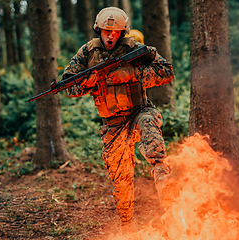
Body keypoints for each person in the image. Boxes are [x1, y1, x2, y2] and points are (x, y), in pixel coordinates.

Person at [62, 7, 174, 233]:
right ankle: (128, 228)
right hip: (112, 125)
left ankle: (164, 183)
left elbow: (166, 71)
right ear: (99, 30)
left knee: (149, 127)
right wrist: (87, 82)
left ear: (122, 32)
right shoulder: (88, 52)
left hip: (138, 112)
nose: (110, 35)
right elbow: (68, 86)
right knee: (121, 182)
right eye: (106, 31)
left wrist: (133, 74)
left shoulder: (135, 49)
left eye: (115, 31)